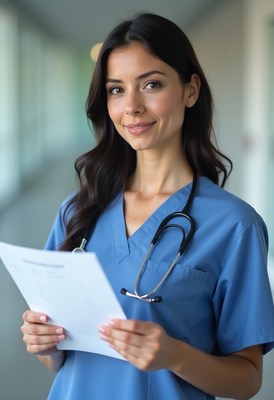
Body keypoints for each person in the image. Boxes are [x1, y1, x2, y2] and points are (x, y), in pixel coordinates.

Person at [21, 12, 274, 400]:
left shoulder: (234, 226)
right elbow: (60, 360)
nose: (132, 107)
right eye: (116, 90)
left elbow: (247, 379)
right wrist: (45, 343)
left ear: (190, 91)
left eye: (151, 84)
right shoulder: (77, 211)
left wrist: (175, 355)